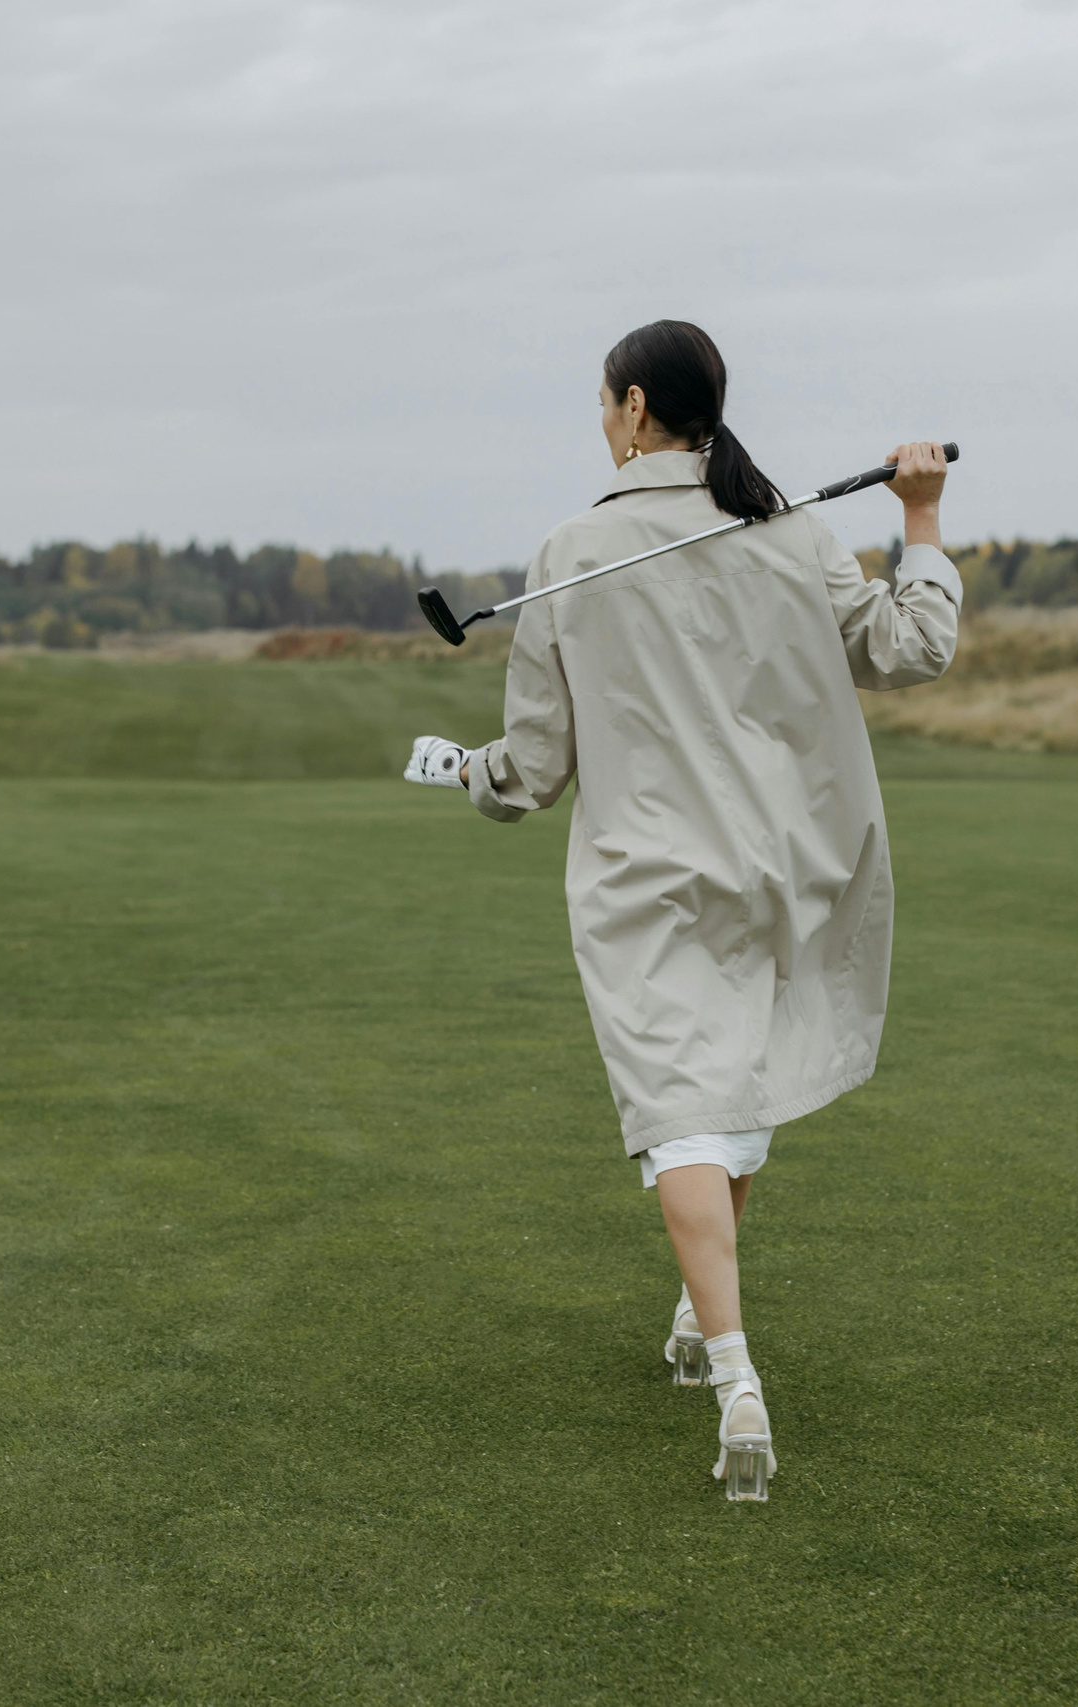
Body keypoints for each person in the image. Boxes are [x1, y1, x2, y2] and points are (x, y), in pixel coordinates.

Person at [403, 320, 959, 1498]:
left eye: (604, 404)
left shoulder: (575, 548)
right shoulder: (789, 535)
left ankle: (737, 1374)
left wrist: (468, 773)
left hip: (647, 879)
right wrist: (919, 522)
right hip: (781, 864)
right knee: (723, 1097)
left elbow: (535, 771)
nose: (600, 422)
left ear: (639, 407)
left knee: (685, 1119)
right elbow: (912, 647)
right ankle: (693, 1316)